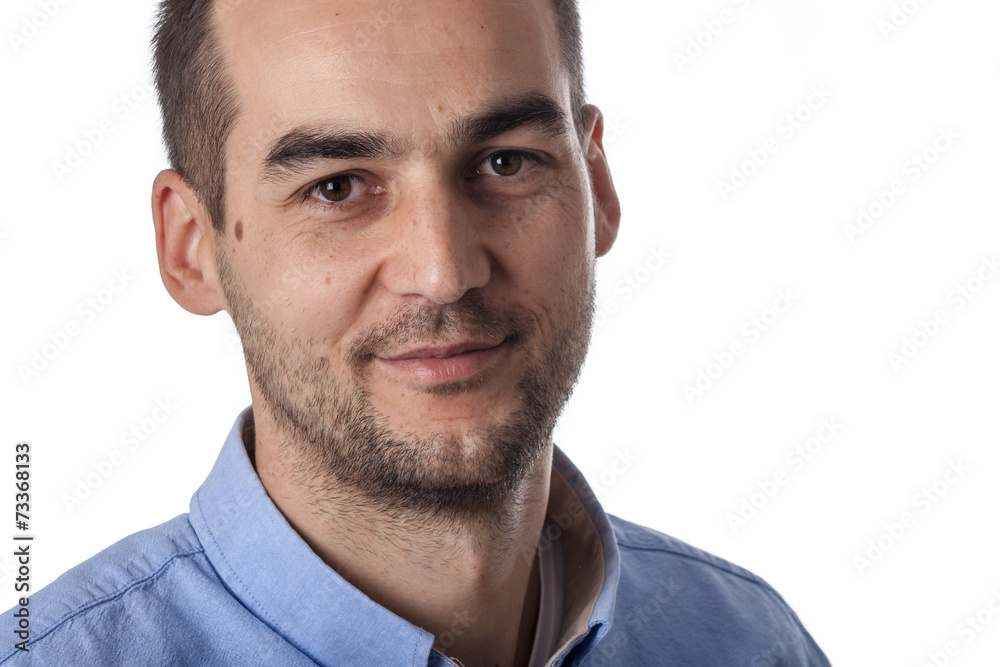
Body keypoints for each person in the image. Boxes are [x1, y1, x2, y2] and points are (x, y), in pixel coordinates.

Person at [2, 0, 830, 665]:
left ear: (597, 186)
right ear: (193, 249)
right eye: (337, 187)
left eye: (506, 161)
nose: (443, 270)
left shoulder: (750, 643)